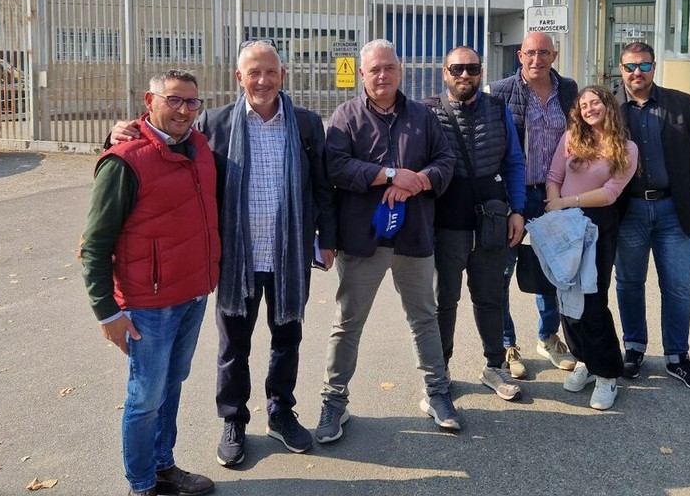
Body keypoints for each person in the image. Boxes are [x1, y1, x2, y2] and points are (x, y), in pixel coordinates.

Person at [109, 41, 337, 468]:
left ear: (282, 75)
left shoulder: (306, 124)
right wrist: (123, 132)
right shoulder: (213, 123)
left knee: (287, 339)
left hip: (288, 256)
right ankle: (234, 419)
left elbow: (323, 186)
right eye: (254, 73)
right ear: (239, 78)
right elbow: (164, 143)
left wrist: (328, 238)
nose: (263, 80)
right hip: (236, 258)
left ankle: (280, 412)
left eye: (271, 72)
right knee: (234, 345)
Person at [80, 70, 219, 496]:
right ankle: (140, 485)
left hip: (192, 295)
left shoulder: (199, 148)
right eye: (173, 100)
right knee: (144, 398)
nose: (183, 110)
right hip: (149, 305)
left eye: (191, 102)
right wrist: (107, 313)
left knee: (170, 387)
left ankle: (163, 466)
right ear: (149, 101)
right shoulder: (125, 160)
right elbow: (95, 244)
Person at [316, 39, 458, 442]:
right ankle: (334, 401)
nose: (382, 75)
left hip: (414, 237)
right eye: (375, 69)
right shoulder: (345, 116)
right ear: (362, 74)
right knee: (348, 323)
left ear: (400, 71)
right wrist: (391, 175)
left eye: (389, 68)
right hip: (363, 240)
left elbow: (445, 161)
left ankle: (437, 392)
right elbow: (336, 167)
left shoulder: (423, 116)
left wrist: (419, 182)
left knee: (424, 318)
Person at [614, 42, 690, 393]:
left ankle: (677, 357)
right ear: (620, 68)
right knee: (629, 283)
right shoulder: (609, 107)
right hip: (628, 211)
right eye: (630, 66)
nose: (637, 73)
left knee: (677, 286)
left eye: (644, 66)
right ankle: (634, 349)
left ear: (654, 67)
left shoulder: (681, 103)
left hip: (674, 211)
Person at [424, 46, 526, 401]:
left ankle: (494, 366)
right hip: (445, 223)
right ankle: (440, 370)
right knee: (443, 301)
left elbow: (514, 162)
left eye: (472, 68)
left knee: (490, 298)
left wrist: (518, 210)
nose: (465, 75)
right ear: (445, 72)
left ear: (481, 72)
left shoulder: (498, 109)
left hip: (492, 221)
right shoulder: (429, 112)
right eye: (457, 69)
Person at [486, 31, 577, 378]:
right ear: (520, 56)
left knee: (552, 271)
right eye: (530, 53)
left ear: (554, 56)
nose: (537, 59)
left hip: (554, 195)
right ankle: (506, 344)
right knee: (501, 272)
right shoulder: (499, 92)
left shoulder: (568, 90)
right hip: (514, 196)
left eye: (544, 53)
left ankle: (548, 336)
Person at [544, 85, 639, 410]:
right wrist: (555, 208)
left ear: (608, 106)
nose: (588, 108)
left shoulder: (626, 148)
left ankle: (608, 373)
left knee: (593, 300)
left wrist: (565, 203)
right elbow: (554, 176)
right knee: (566, 299)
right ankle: (585, 359)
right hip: (564, 225)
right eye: (583, 105)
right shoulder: (572, 137)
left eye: (595, 102)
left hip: (597, 227)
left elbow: (610, 193)